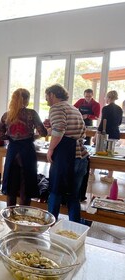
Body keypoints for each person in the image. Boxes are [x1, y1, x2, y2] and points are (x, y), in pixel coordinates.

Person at [44, 84, 89, 223]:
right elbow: (78, 131)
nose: (46, 99)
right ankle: (75, 228)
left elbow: (59, 129)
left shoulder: (56, 107)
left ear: (52, 94)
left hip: (66, 157)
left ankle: (49, 227)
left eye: (47, 96)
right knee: (73, 197)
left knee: (55, 193)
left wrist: (50, 149)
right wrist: (50, 131)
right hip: (81, 156)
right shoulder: (74, 108)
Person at [0, 88, 48, 206]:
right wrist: (33, 136)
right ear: (26, 100)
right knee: (26, 186)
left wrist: (11, 137)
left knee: (11, 187)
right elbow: (43, 132)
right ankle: (23, 216)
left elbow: (0, 136)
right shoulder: (32, 113)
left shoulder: (7, 115)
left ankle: (10, 215)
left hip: (12, 151)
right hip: (27, 151)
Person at [97, 90, 123, 183]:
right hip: (115, 133)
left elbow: (103, 121)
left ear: (108, 98)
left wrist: (98, 133)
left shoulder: (106, 108)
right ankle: (109, 176)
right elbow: (119, 122)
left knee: (99, 152)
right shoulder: (120, 109)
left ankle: (91, 173)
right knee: (111, 154)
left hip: (106, 133)